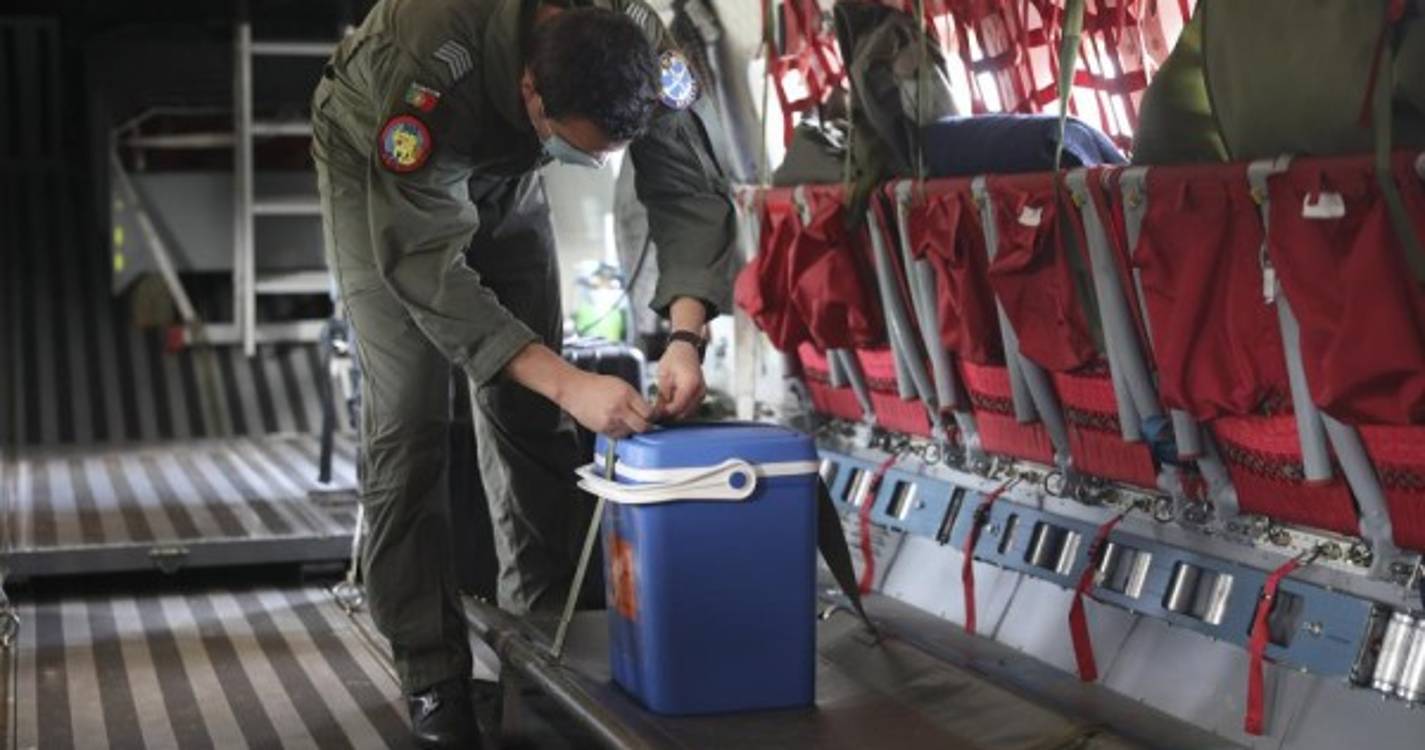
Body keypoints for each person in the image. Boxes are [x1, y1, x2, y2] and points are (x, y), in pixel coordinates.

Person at [310, 0, 734, 744]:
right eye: (582, 151)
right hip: (381, 179)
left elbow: (687, 185)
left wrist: (686, 337)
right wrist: (571, 380)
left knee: (532, 417)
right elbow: (421, 258)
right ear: (532, 89)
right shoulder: (427, 58)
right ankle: (431, 673)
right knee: (411, 421)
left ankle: (547, 640)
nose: (595, 168)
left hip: (505, 176)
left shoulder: (640, 46)